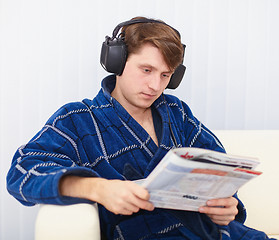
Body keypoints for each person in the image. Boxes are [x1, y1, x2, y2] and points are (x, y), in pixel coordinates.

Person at [6, 17, 272, 240]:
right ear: (117, 61)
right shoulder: (76, 118)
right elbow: (21, 172)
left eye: (165, 75)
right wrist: (97, 189)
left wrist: (226, 206)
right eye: (146, 70)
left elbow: (220, 172)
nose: (156, 86)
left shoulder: (177, 113)